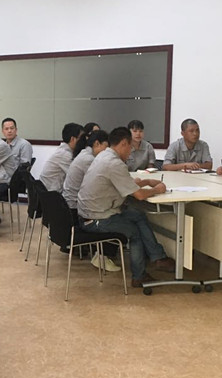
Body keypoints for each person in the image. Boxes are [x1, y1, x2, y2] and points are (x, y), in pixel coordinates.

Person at [78, 127, 176, 288]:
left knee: (138, 215)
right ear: (123, 143)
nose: (130, 152)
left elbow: (123, 184)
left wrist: (146, 182)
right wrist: (157, 189)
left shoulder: (104, 155)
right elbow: (139, 195)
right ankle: (139, 276)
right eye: (130, 147)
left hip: (91, 212)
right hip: (97, 219)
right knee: (134, 232)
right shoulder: (114, 163)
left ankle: (158, 257)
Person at [62, 130, 120, 273]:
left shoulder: (85, 154)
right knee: (114, 212)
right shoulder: (89, 159)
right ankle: (103, 256)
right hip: (75, 207)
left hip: (71, 203)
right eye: (107, 147)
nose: (109, 151)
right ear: (97, 144)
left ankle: (104, 253)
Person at [39, 123, 83, 192]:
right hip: (51, 193)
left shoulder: (63, 151)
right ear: (73, 139)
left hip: (46, 191)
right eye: (82, 138)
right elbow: (76, 177)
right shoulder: (65, 155)